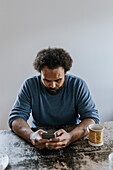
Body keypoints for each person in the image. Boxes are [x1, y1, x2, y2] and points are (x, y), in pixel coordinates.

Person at [9, 47, 99, 150]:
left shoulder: (78, 85)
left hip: (72, 136)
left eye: (58, 80)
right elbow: (16, 119)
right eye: (46, 80)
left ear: (65, 73)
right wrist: (31, 135)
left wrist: (70, 137)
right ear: (40, 74)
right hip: (39, 139)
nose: (52, 85)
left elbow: (91, 119)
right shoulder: (30, 85)